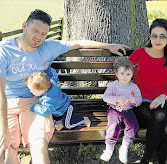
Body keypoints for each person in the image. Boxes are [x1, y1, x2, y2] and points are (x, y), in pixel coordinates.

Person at [0, 9, 130, 164]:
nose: (38, 37)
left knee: (39, 148)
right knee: (8, 152)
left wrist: (109, 46)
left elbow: (77, 43)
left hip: (35, 103)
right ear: (24, 26)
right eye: (35, 30)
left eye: (43, 33)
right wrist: (4, 129)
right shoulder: (4, 50)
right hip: (8, 105)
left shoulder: (48, 47)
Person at [129, 18, 167, 164]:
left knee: (159, 115)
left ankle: (146, 159)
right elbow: (124, 74)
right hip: (140, 101)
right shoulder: (138, 54)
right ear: (149, 36)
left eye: (162, 36)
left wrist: (163, 96)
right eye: (154, 35)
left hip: (162, 99)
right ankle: (158, 161)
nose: (158, 39)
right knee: (165, 129)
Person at [100, 58, 142, 163]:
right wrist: (116, 99)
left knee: (133, 125)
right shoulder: (113, 85)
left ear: (132, 75)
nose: (125, 76)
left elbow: (139, 99)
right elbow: (105, 97)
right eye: (122, 73)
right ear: (117, 74)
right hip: (114, 110)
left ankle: (124, 147)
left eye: (128, 74)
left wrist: (135, 100)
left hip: (128, 110)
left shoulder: (134, 87)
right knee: (113, 125)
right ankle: (109, 148)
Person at [25, 71, 91, 131]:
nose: (31, 92)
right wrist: (47, 69)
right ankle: (60, 122)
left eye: (33, 91)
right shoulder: (51, 82)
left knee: (68, 125)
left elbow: (46, 111)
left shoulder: (48, 99)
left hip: (67, 108)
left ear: (41, 91)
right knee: (49, 120)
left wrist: (34, 107)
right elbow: (53, 75)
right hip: (57, 111)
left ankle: (82, 119)